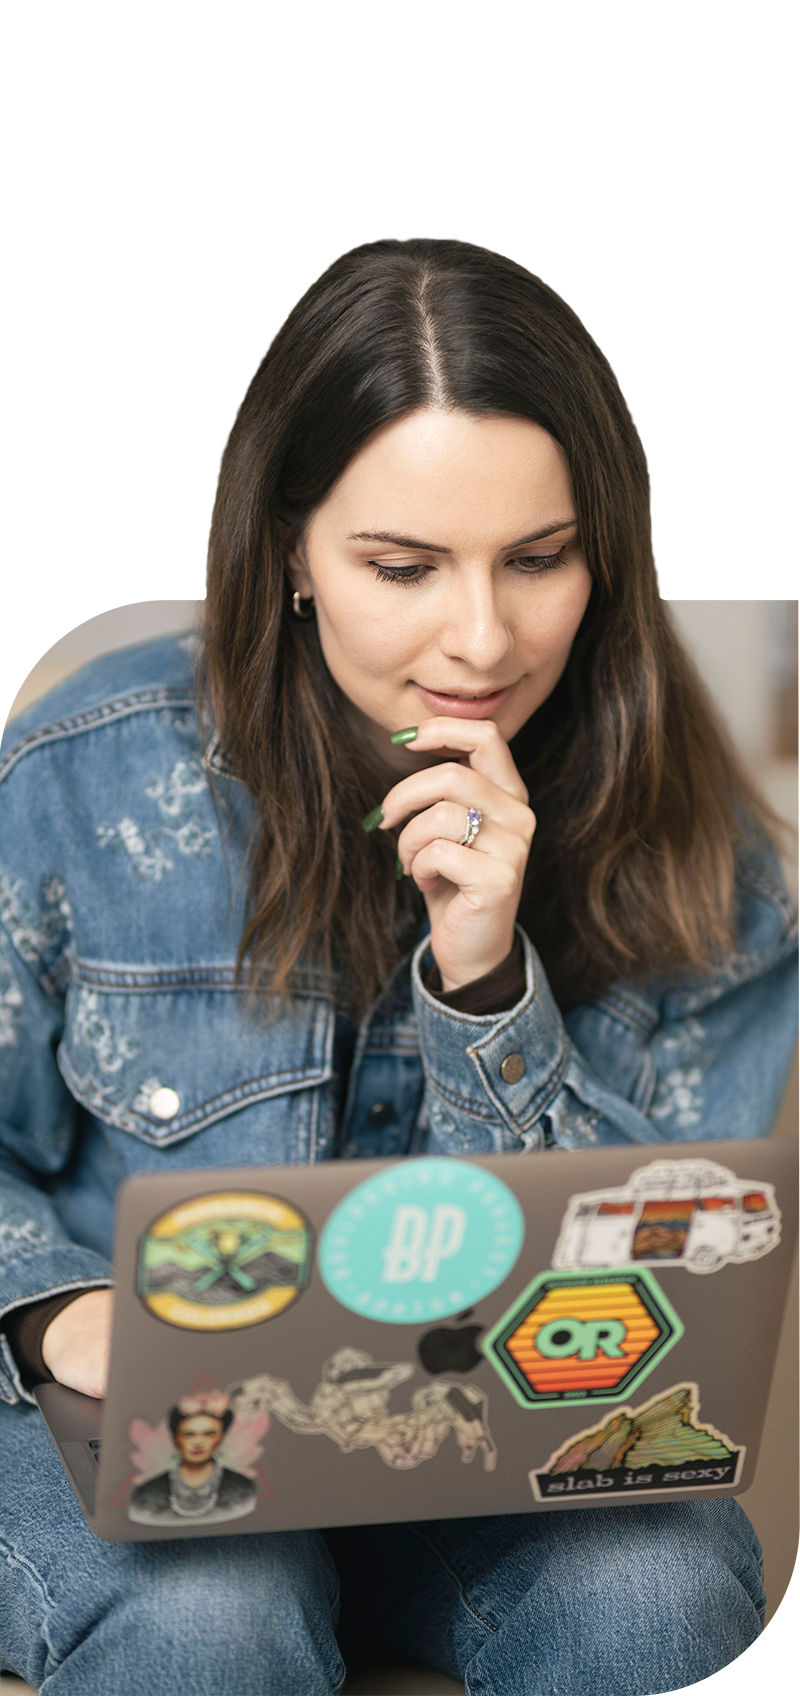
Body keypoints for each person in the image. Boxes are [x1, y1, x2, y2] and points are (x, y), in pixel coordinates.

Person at [1, 238, 793, 1695]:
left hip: (482, 1451)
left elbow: (663, 1293)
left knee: (654, 1587)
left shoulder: (714, 865)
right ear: (287, 549)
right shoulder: (76, 776)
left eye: (539, 559)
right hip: (120, 1424)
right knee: (208, 1610)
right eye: (402, 566)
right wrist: (59, 1310)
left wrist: (487, 989)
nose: (481, 638)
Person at [127, 1393, 257, 1525]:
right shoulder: (147, 1492)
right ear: (176, 1439)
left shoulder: (242, 1486)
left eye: (209, 1434)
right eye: (189, 1434)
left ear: (220, 1438)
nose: (198, 1443)